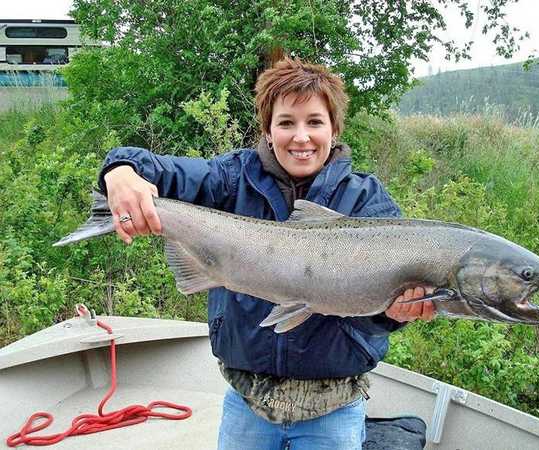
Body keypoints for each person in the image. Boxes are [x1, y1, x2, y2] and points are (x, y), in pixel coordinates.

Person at [98, 57, 435, 450]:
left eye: (314, 122)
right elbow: (164, 171)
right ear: (269, 130)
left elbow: (376, 316)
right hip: (247, 402)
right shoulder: (231, 178)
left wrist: (392, 315)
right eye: (287, 123)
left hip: (336, 407)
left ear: (334, 129)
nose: (301, 137)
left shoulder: (367, 200)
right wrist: (120, 169)